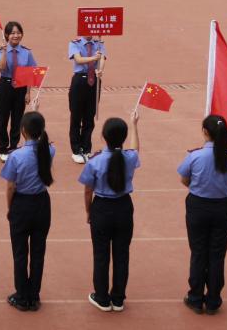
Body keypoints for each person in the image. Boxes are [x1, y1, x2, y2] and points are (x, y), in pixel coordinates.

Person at [179, 115, 227, 315]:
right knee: (217, 254)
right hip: (221, 206)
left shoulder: (196, 156)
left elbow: (184, 178)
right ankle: (213, 300)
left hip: (198, 206)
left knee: (198, 252)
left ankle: (196, 298)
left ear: (205, 132)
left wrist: (198, 187)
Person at [80, 111, 141, 312]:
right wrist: (134, 125)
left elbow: (88, 190)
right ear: (123, 138)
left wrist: (89, 211)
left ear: (103, 137)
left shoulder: (95, 161)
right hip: (124, 207)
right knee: (122, 254)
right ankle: (118, 298)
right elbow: (135, 149)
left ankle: (102, 297)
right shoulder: (129, 158)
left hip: (102, 208)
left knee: (101, 254)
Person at [0, 111, 54, 312]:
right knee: (38, 252)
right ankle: (34, 294)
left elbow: (10, 186)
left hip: (22, 205)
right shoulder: (50, 150)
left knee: (20, 252)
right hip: (42, 204)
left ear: (23, 131)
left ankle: (22, 295)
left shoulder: (16, 156)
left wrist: (10, 208)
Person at [0, 21, 36, 162]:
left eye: (18, 33)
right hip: (5, 86)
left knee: (17, 119)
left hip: (21, 87)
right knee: (2, 119)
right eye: (12, 33)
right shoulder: (0, 50)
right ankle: (3, 148)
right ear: (6, 35)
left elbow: (30, 73)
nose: (15, 35)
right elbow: (1, 67)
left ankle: (14, 146)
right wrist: (5, 51)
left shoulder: (27, 52)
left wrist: (28, 92)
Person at [67, 35, 106, 163]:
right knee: (76, 116)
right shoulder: (75, 43)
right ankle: (76, 150)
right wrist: (94, 58)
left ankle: (86, 148)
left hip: (94, 81)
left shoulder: (99, 43)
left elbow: (102, 59)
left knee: (90, 117)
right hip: (79, 80)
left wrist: (100, 70)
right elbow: (78, 59)